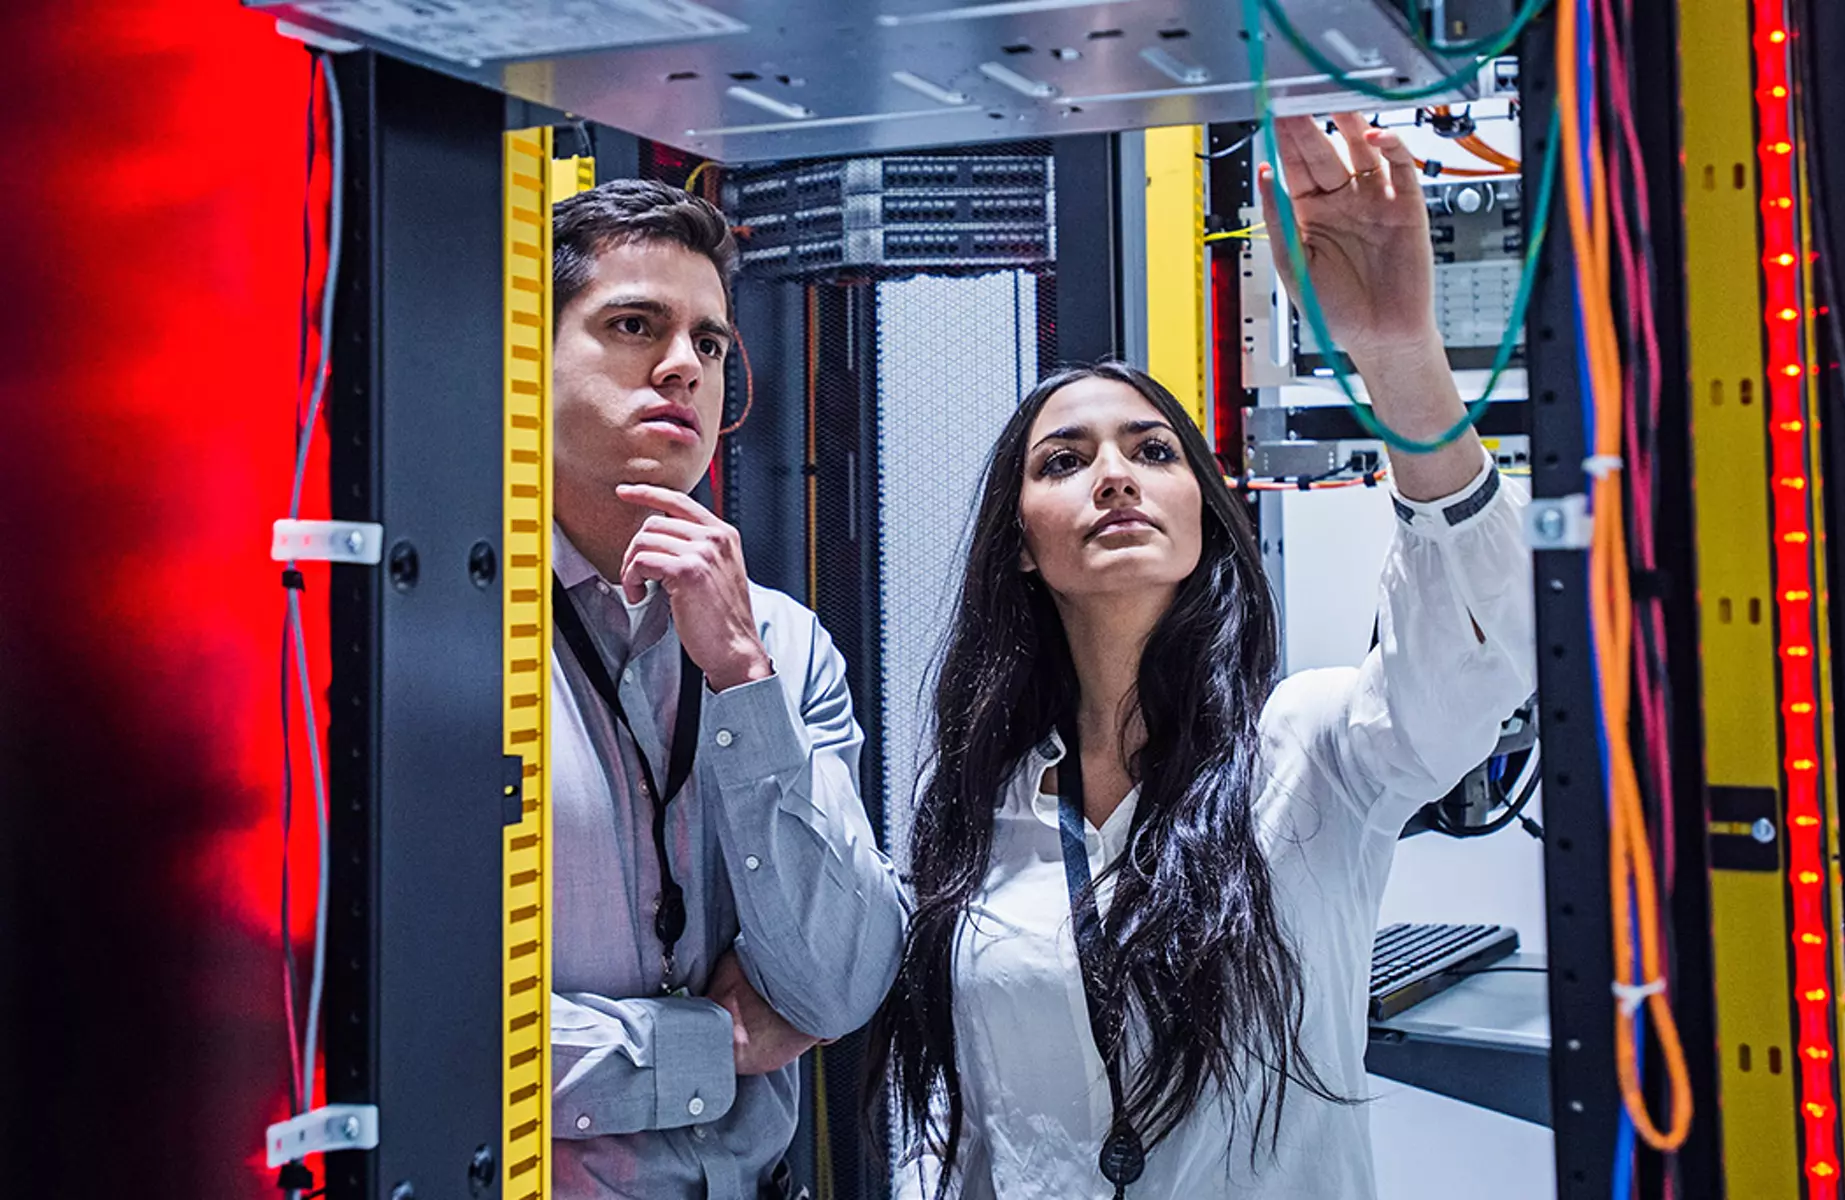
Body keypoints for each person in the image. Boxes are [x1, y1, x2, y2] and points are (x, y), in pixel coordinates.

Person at [870, 114, 1536, 1199]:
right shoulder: (981, 805)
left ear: (1202, 512)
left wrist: (1397, 355)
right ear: (1022, 544)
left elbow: (1479, 652)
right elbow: (957, 1122)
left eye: (1151, 450)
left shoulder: (1308, 751)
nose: (1115, 475)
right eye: (1063, 459)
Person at [545, 179, 905, 1200]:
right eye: (632, 324)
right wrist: (710, 1048)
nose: (681, 368)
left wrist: (741, 679)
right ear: (521, 355)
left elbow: (840, 981)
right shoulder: (443, 641)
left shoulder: (783, 645)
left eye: (706, 343)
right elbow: (425, 1031)